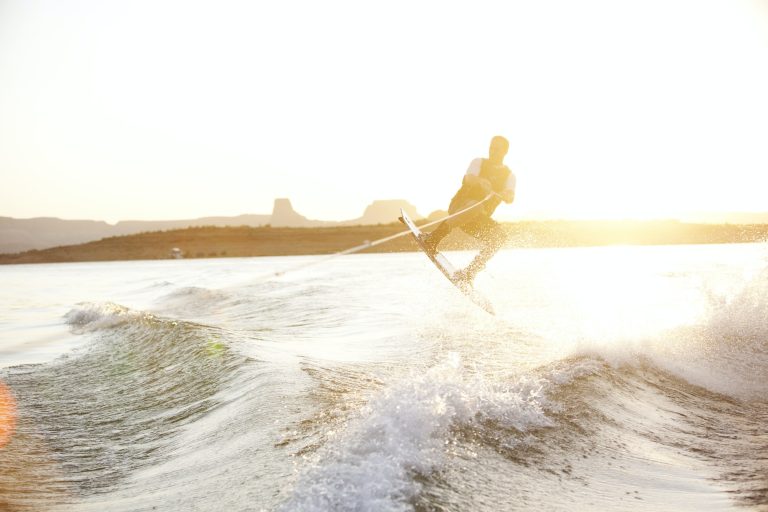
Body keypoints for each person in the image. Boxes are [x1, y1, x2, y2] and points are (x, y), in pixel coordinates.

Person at [422, 135, 516, 284]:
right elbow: (469, 178)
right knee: (476, 205)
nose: (492, 151)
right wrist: (480, 181)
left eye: (497, 149)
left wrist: (505, 194)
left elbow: (510, 197)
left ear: (505, 152)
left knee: (499, 238)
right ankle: (433, 238)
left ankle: (469, 273)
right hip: (459, 207)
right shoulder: (478, 162)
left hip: (476, 222)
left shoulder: (509, 176)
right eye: (491, 147)